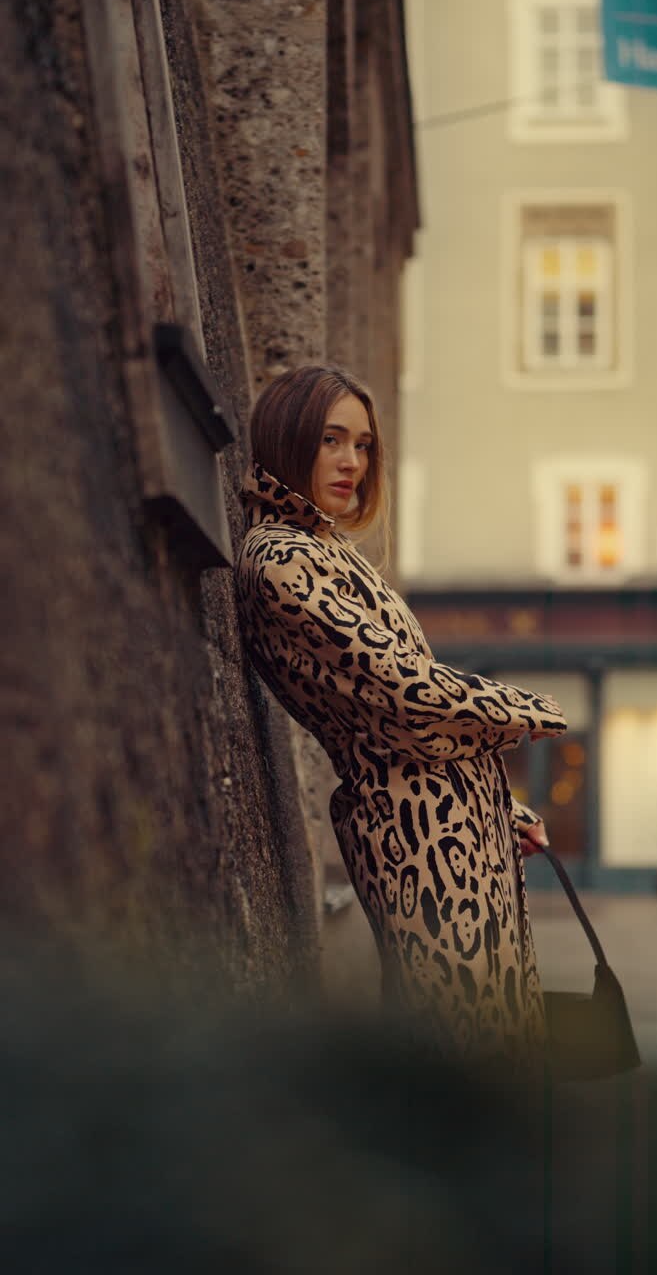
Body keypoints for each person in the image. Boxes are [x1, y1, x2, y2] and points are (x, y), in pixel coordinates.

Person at [236, 365, 567, 1065]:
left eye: (363, 445)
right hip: (413, 836)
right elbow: (404, 690)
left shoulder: (328, 551)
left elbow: (401, 717)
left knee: (493, 1036)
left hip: (457, 827)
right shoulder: (281, 561)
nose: (352, 462)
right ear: (287, 438)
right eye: (331, 439)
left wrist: (502, 812)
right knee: (453, 1044)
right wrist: (527, 709)